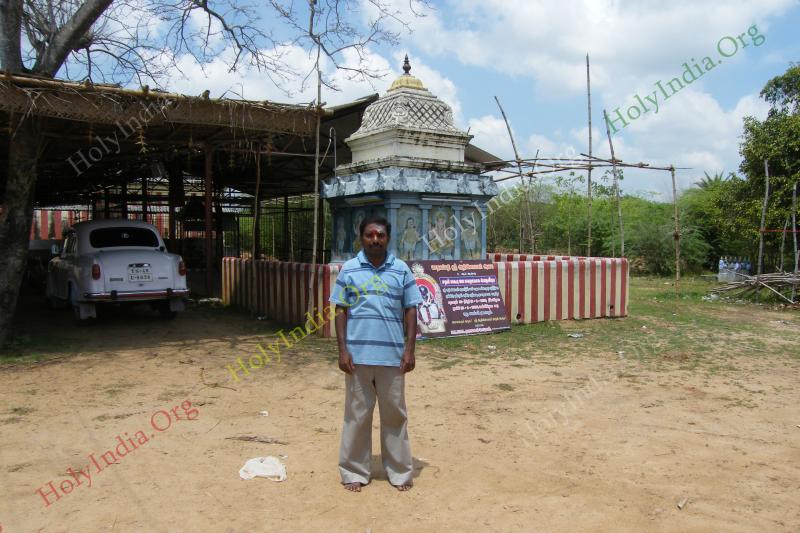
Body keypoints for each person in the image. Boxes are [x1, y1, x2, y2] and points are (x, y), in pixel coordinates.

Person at [329, 215, 422, 493]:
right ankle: (354, 471)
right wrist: (342, 350)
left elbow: (411, 309)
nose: (375, 240)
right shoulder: (349, 269)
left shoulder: (402, 270)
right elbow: (340, 310)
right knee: (357, 417)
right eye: (369, 235)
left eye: (380, 235)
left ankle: (399, 472)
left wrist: (409, 349)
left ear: (388, 238)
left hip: (393, 358)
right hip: (357, 358)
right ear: (361, 238)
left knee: (395, 416)